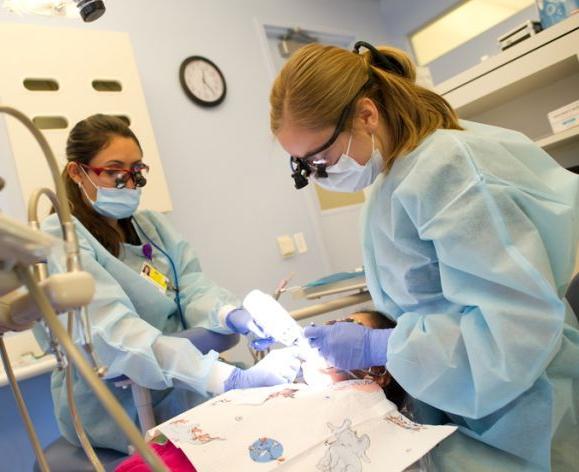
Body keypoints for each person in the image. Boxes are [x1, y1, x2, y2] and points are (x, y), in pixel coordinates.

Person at [269, 41, 579, 471]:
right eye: (303, 166)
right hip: (460, 400)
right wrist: (369, 324)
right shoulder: (390, 181)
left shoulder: (449, 170)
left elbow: (516, 328)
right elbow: (425, 296)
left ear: (366, 115)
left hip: (520, 409)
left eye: (320, 158)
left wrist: (381, 345)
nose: (317, 175)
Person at [39, 114, 300, 453]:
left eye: (136, 172)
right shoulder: (61, 238)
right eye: (116, 171)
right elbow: (114, 337)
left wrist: (230, 314)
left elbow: (192, 286)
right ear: (77, 172)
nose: (129, 184)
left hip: (185, 378)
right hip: (119, 404)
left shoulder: (150, 226)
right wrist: (225, 379)